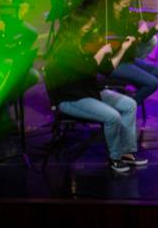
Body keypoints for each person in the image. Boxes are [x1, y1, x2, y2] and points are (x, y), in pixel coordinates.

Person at [44, 14, 145, 174]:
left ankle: (126, 152)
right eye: (87, 28)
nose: (91, 30)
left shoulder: (83, 45)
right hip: (71, 99)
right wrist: (102, 51)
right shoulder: (65, 52)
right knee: (112, 117)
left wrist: (122, 49)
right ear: (76, 30)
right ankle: (115, 158)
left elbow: (107, 69)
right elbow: (89, 68)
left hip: (89, 92)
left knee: (129, 104)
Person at [96, 0, 158, 126]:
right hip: (115, 63)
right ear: (115, 6)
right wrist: (136, 31)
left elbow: (145, 38)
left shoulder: (125, 20)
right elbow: (117, 46)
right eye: (125, 4)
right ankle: (126, 107)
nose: (128, 8)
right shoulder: (108, 23)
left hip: (128, 60)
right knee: (152, 83)